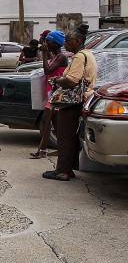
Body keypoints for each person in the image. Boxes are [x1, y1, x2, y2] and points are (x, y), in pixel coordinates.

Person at [43, 27, 96, 181]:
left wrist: (57, 80)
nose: (65, 44)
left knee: (64, 136)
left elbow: (72, 80)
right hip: (81, 99)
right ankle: (68, 168)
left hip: (71, 102)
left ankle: (62, 171)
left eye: (68, 41)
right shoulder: (88, 54)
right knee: (70, 136)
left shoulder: (79, 57)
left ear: (78, 41)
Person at [31, 31, 68, 159]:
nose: (46, 44)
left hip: (57, 94)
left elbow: (47, 70)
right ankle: (57, 149)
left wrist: (45, 53)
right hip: (52, 92)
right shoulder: (56, 56)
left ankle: (43, 150)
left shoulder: (61, 57)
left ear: (56, 44)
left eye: (49, 42)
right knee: (53, 123)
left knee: (46, 121)